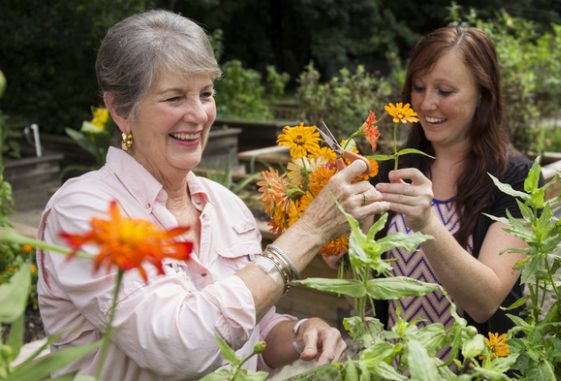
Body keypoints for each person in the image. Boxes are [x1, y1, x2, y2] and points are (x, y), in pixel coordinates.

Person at [36, 10, 386, 381]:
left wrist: (300, 335)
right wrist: (310, 231)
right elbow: (178, 348)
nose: (200, 114)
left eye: (206, 93)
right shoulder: (85, 212)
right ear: (121, 110)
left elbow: (255, 329)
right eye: (174, 98)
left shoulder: (225, 205)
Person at [371, 26, 536, 352]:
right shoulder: (393, 168)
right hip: (395, 366)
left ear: (483, 95)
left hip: (476, 369)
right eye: (418, 88)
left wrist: (427, 223)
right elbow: (369, 275)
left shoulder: (516, 179)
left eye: (445, 92)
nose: (427, 103)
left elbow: (485, 301)